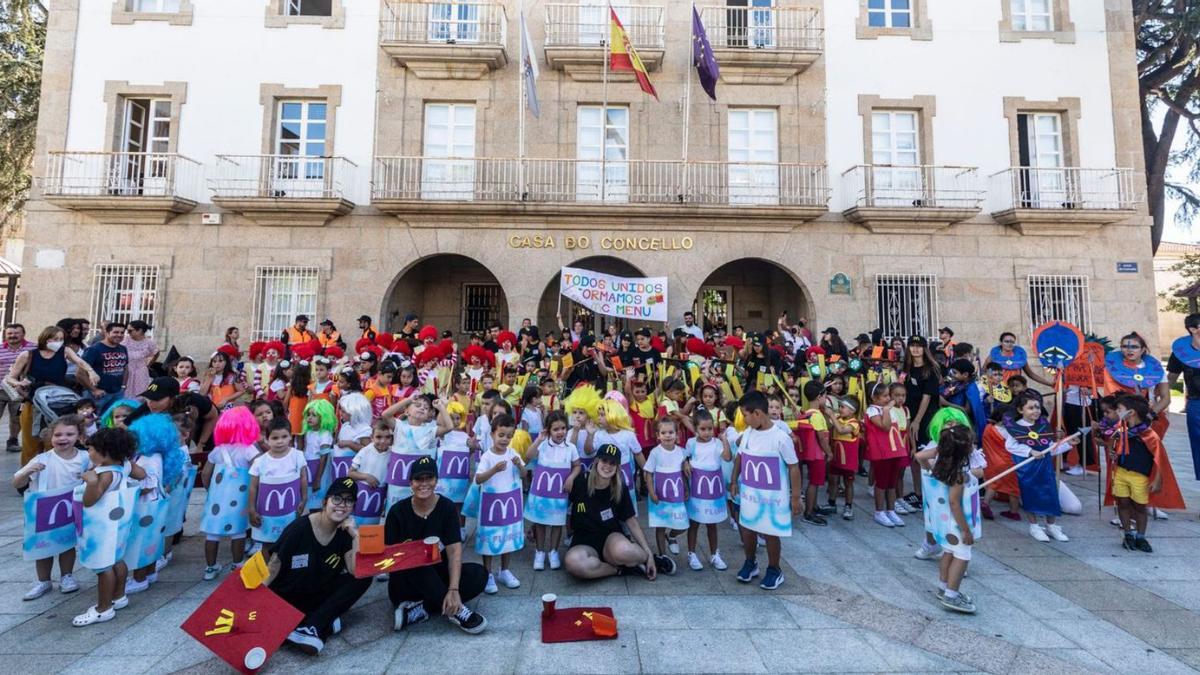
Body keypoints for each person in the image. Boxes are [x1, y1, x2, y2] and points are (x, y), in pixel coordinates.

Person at [267, 477, 372, 655]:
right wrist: (252, 600)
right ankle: (322, 623)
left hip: (317, 593)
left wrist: (356, 536)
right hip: (289, 595)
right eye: (337, 499)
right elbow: (274, 564)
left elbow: (356, 571)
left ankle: (311, 626)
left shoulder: (345, 532)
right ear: (325, 502)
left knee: (365, 577)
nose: (342, 505)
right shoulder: (299, 527)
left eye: (348, 501)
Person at [386, 456, 489, 634]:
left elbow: (454, 551)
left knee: (479, 575)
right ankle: (457, 612)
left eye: (429, 478)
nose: (424, 484)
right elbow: (389, 557)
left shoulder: (447, 507)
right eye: (419, 479)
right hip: (406, 583)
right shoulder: (397, 512)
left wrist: (454, 589)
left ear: (436, 480)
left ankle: (422, 608)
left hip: (438, 575)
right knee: (415, 557)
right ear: (411, 482)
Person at [71, 427, 144, 627]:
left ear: (105, 452)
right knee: (117, 560)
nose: (89, 453)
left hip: (101, 528)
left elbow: (89, 501)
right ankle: (119, 596)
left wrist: (91, 481)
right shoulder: (125, 465)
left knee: (103, 566)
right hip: (119, 526)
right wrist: (128, 462)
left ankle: (103, 608)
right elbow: (142, 474)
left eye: (91, 449)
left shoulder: (104, 474)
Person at [730, 391, 801, 591]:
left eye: (745, 414)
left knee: (770, 533)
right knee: (748, 528)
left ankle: (774, 569)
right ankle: (750, 562)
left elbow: (793, 466)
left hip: (772, 498)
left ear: (758, 413)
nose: (743, 418)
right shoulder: (748, 434)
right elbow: (740, 457)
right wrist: (734, 480)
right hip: (750, 493)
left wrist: (795, 497)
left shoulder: (780, 437)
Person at [13, 415, 88, 600]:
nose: (63, 438)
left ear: (79, 436)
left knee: (67, 544)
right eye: (58, 434)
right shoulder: (42, 458)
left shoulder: (85, 458)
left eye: (69, 434)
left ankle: (67, 576)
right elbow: (16, 482)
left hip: (70, 509)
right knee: (43, 547)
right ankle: (43, 580)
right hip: (44, 510)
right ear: (50, 437)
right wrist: (28, 471)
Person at [563, 444, 658, 581]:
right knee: (574, 563)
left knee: (624, 551)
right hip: (583, 541)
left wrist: (648, 553)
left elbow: (631, 521)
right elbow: (561, 507)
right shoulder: (579, 482)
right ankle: (619, 569)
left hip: (611, 540)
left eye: (612, 463)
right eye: (604, 461)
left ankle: (652, 560)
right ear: (596, 461)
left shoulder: (619, 488)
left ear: (617, 467)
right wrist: (536, 527)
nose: (608, 466)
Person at [914, 424, 981, 614]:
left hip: (944, 523)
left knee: (948, 552)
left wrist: (931, 465)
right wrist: (966, 530)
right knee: (962, 556)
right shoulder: (958, 473)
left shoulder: (942, 466)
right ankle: (952, 595)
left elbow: (919, 456)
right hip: (957, 524)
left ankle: (943, 588)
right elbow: (954, 503)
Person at [7, 325, 99, 462]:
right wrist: (18, 383)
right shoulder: (28, 355)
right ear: (46, 338)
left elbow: (80, 361)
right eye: (55, 339)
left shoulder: (65, 351)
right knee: (30, 444)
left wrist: (91, 371)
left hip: (56, 405)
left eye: (61, 339)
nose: (59, 342)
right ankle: (27, 478)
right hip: (33, 403)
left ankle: (52, 474)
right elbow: (10, 377)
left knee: (53, 442)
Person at [1108, 395, 1185, 553]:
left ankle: (1141, 537)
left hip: (1140, 476)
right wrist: (1110, 449)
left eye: (1120, 409)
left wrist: (1157, 479)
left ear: (1132, 412)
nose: (1117, 411)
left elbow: (1159, 458)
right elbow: (1112, 442)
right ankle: (1128, 534)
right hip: (1122, 472)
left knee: (1140, 507)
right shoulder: (1120, 429)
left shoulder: (1148, 434)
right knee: (1122, 503)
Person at [998, 392, 1077, 542]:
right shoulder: (1016, 427)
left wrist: (1066, 444)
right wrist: (1029, 451)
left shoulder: (1042, 425)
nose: (1035, 411)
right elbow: (1010, 446)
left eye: (1037, 407)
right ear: (1021, 410)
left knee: (1051, 495)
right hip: (1028, 469)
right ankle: (1034, 526)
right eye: (1030, 408)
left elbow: (1049, 448)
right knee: (1031, 496)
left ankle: (1051, 525)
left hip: (1046, 468)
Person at [470, 413, 525, 593]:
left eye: (509, 436)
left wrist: (520, 466)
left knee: (507, 538)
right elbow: (478, 479)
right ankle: (488, 573)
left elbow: (525, 475)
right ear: (492, 434)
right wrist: (493, 470)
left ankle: (505, 570)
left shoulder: (513, 453)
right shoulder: (487, 456)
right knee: (490, 539)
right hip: (491, 506)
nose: (505, 439)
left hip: (509, 503)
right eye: (501, 435)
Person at [525, 410, 578, 571]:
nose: (560, 432)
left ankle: (553, 551)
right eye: (556, 429)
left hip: (559, 492)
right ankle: (539, 552)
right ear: (548, 430)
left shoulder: (570, 447)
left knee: (557, 522)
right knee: (540, 522)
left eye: (563, 428)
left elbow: (577, 465)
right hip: (541, 492)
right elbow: (527, 457)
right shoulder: (542, 444)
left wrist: (571, 478)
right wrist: (538, 440)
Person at [248, 418, 309, 547]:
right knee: (268, 543)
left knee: (291, 540)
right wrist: (252, 509)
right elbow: (253, 486)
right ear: (267, 439)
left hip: (291, 510)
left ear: (290, 437)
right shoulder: (260, 461)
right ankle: (269, 567)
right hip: (267, 512)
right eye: (275, 438)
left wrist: (304, 499)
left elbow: (303, 478)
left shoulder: (298, 456)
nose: (280, 441)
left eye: (284, 436)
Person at [683, 409, 729, 570]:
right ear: (696, 429)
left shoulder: (716, 443)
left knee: (712, 524)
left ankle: (714, 554)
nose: (707, 432)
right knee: (694, 522)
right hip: (697, 490)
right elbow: (684, 456)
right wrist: (686, 462)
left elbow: (727, 457)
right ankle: (691, 553)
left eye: (710, 428)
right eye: (703, 429)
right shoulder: (691, 443)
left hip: (713, 491)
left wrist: (724, 441)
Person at [1167, 312, 1200, 480]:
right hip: (1196, 404)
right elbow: (1171, 378)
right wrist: (1161, 399)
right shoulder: (1181, 352)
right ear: (1193, 329)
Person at [0, 323, 34, 451]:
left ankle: (12, 441)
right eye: (9, 333)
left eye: (16, 333)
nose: (12, 336)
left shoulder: (33, 348)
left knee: (16, 417)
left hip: (20, 390)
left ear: (23, 334)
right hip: (0, 388)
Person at [81, 322, 130, 411]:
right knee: (92, 420)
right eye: (116, 332)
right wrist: (94, 390)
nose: (119, 335)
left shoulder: (123, 349)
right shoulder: (94, 349)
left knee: (111, 421)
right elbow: (80, 373)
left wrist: (123, 386)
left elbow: (126, 368)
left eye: (122, 333)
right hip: (99, 394)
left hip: (117, 393)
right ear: (107, 333)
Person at [983, 332, 1053, 386]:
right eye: (1006, 341)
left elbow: (1031, 374)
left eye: (1012, 342)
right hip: (999, 391)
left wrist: (1050, 384)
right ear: (1001, 343)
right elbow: (984, 372)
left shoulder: (1020, 357)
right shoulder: (993, 356)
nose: (1009, 344)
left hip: (1016, 389)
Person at [121, 320, 158, 399]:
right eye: (127, 331)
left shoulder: (149, 342)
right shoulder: (125, 340)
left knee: (141, 393)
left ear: (140, 330)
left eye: (130, 331)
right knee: (125, 392)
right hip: (127, 370)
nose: (128, 333)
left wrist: (149, 364)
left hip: (141, 371)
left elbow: (156, 353)